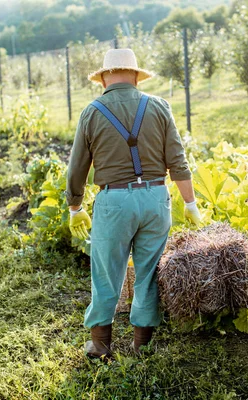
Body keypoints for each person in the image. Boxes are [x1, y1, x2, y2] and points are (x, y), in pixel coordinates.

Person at [65, 48, 201, 359]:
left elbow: (77, 168)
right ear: (137, 77)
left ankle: (100, 346)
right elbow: (178, 162)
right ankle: (143, 346)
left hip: (114, 202)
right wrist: (190, 204)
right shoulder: (159, 107)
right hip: (155, 199)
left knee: (106, 274)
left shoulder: (92, 111)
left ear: (104, 78)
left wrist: (76, 206)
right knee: (149, 272)